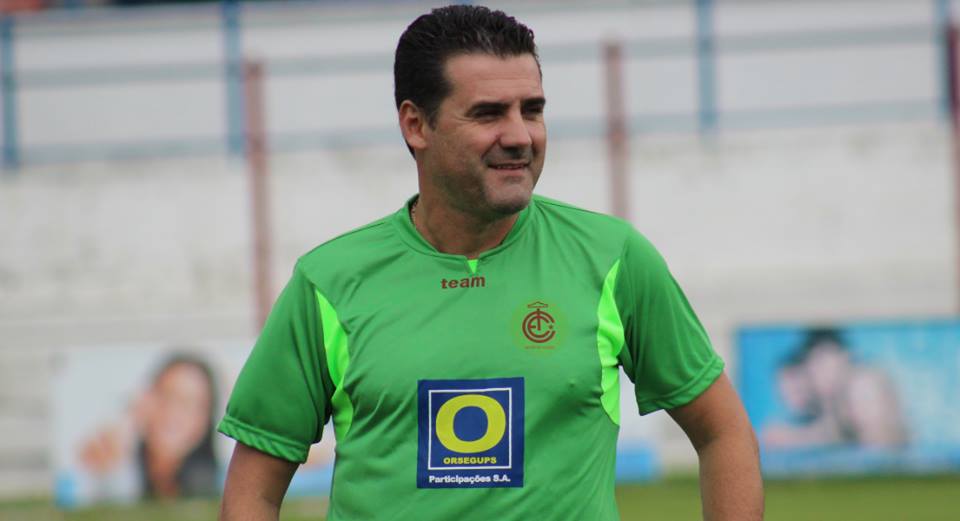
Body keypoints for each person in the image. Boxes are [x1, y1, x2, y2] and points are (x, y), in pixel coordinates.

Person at [217, 5, 763, 520]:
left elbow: (723, 432)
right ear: (416, 125)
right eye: (488, 114)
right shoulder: (329, 282)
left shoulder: (613, 258)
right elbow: (253, 489)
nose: (520, 136)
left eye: (533, 110)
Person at [80, 353, 219, 500]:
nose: (173, 412)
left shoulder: (221, 486)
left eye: (188, 403)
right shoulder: (114, 468)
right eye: (166, 395)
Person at [764, 328, 907, 449]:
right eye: (814, 364)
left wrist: (795, 438)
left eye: (823, 361)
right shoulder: (832, 402)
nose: (819, 373)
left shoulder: (864, 383)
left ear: (845, 355)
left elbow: (882, 439)